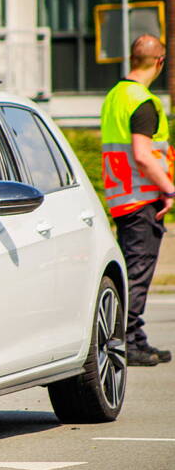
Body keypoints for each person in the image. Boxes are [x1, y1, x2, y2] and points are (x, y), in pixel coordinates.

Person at [100, 34, 175, 366]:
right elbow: (144, 156)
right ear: (160, 62)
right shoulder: (143, 101)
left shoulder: (115, 96)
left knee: (133, 270)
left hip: (121, 197)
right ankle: (126, 341)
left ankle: (135, 337)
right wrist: (169, 189)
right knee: (137, 272)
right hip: (143, 198)